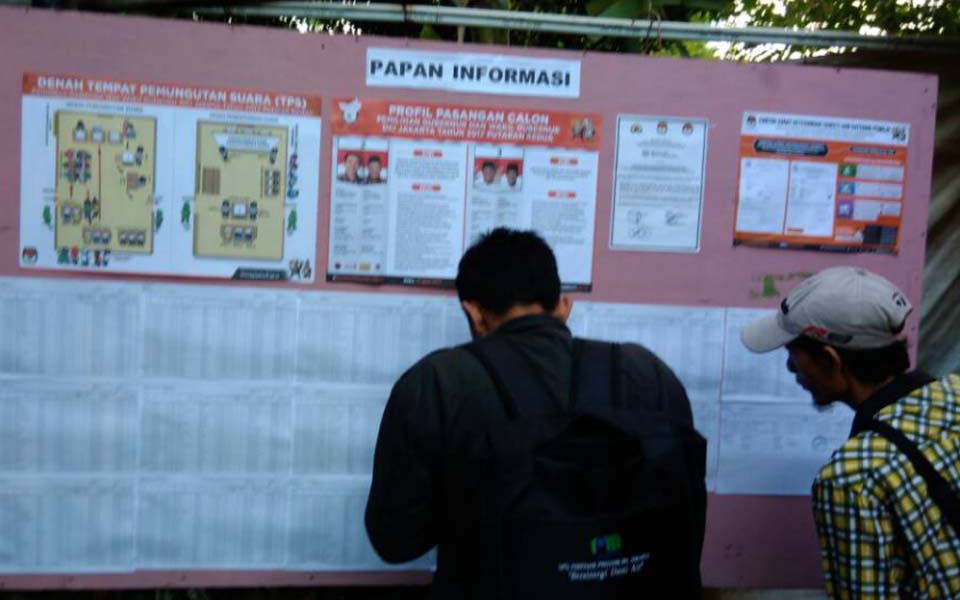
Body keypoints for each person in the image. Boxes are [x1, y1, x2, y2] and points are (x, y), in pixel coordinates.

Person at [366, 228, 706, 599]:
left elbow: (395, 539)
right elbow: (686, 516)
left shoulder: (438, 383)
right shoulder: (648, 372)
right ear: (564, 306)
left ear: (474, 312)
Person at [740, 266, 960, 599]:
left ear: (830, 359)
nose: (789, 368)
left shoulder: (852, 479)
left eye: (792, 353)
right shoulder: (956, 392)